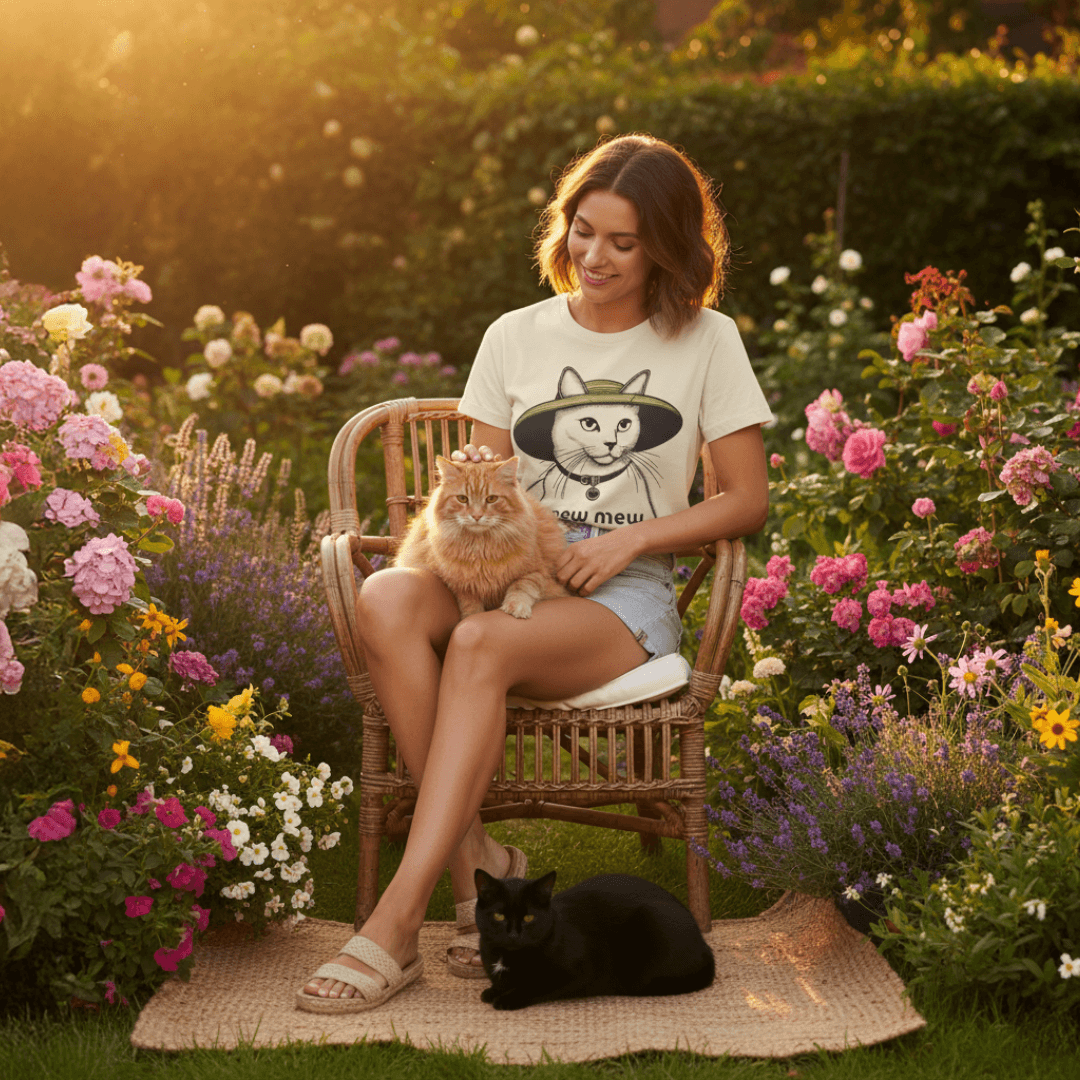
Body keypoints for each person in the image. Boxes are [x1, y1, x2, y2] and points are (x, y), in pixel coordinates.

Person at [298, 133, 772, 1011]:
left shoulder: (708, 341)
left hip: (618, 594)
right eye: (584, 231)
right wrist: (468, 559)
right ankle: (478, 870)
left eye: (624, 242)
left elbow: (746, 499)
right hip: (508, 564)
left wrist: (632, 540)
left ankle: (397, 923)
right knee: (388, 597)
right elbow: (481, 486)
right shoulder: (515, 335)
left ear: (666, 247)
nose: (595, 256)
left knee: (480, 644)